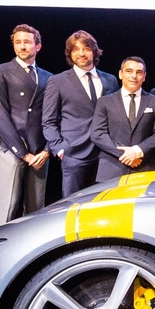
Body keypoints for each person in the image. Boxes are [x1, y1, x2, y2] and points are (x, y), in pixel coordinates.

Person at [0, 23, 52, 225]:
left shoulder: (49, 77)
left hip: (39, 150)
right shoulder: (0, 72)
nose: (22, 46)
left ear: (38, 46)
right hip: (12, 145)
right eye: (18, 42)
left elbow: (53, 116)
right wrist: (23, 153)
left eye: (27, 42)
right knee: (8, 205)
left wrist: (47, 150)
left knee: (36, 208)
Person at [42, 30, 119, 196]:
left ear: (95, 51)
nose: (82, 53)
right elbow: (48, 120)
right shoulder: (57, 81)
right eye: (76, 49)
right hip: (74, 154)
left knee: (105, 202)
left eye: (87, 48)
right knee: (73, 204)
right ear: (70, 53)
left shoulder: (110, 80)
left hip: (106, 154)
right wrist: (60, 148)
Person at [91, 57, 155, 181]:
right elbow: (98, 134)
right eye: (129, 71)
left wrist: (137, 151)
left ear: (144, 76)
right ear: (120, 74)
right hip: (112, 168)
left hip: (144, 167)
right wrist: (126, 155)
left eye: (139, 72)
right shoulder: (104, 102)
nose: (134, 76)